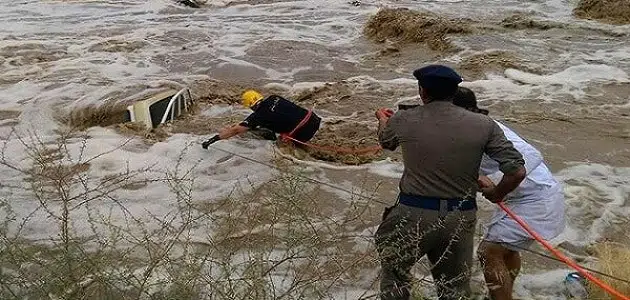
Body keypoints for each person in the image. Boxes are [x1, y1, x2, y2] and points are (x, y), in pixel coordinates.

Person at [374, 64, 527, 300]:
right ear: (454, 92)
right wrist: (497, 193)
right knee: (454, 290)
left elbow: (386, 142)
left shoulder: (404, 118)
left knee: (395, 279)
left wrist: (382, 119)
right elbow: (516, 171)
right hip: (459, 217)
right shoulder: (485, 125)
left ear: (423, 92)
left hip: (412, 214)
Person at [453, 86, 566, 300]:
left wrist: (497, 189)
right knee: (507, 250)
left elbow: (530, 157)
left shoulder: (487, 129)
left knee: (489, 252)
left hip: (537, 198)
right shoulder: (463, 129)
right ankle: (504, 295)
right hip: (522, 196)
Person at [202, 90, 321, 149]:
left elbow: (236, 131)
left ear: (251, 106)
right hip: (313, 119)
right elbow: (276, 113)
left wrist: (213, 139)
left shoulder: (258, 116)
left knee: (280, 146)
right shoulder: (274, 97)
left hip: (303, 132)